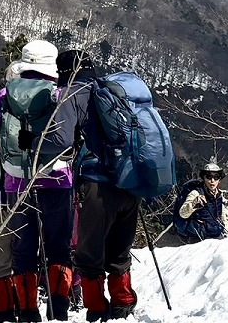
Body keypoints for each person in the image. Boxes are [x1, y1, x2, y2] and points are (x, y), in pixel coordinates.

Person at [0, 40, 69, 323]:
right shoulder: (61, 93)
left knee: (24, 248)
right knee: (58, 246)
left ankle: (27, 311)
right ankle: (59, 309)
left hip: (17, 181)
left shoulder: (3, 95)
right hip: (57, 178)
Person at [65, 49, 141, 323]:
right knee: (120, 250)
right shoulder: (114, 91)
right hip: (129, 180)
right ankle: (123, 304)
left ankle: (97, 309)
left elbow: (63, 140)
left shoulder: (73, 95)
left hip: (96, 184)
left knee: (89, 252)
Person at [174, 159, 228, 243]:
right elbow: (182, 213)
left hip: (215, 235)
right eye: (209, 176)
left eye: (216, 177)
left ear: (219, 180)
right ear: (203, 178)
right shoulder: (196, 193)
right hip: (197, 238)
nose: (212, 180)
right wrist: (194, 203)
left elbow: (221, 215)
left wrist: (227, 232)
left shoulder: (218, 195)